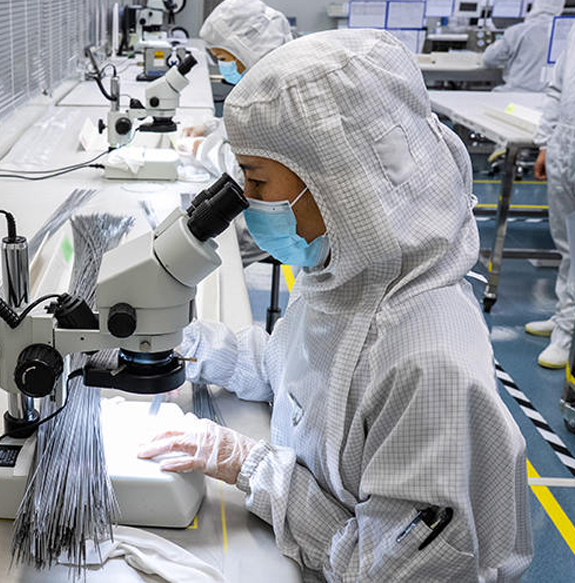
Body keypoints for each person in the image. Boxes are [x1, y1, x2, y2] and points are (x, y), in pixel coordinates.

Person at [139, 29, 532, 580]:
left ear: (340, 183)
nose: (245, 201)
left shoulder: (428, 366)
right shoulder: (346, 277)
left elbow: (382, 569)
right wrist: (183, 344)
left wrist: (246, 463)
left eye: (255, 181)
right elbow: (287, 371)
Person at [180, 0, 292, 266]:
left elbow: (247, 173)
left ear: (245, 48)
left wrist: (202, 149)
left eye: (222, 57)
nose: (222, 65)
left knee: (201, 260)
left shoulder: (275, 94)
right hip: (263, 203)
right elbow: (245, 129)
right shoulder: (267, 78)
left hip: (268, 219)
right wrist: (210, 127)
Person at [525, 24, 575, 369]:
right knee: (566, 243)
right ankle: (564, 315)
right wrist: (545, 142)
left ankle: (567, 334)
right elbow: (558, 88)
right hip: (565, 145)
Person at [483, 0, 566, 92]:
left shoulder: (517, 31)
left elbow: (489, 59)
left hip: (515, 93)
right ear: (560, 9)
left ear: (536, 5)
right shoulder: (566, 34)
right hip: (550, 96)